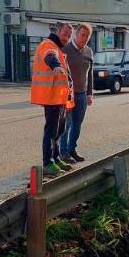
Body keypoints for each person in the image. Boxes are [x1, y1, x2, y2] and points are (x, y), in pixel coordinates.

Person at [30, 23, 74, 176]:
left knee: (58, 130)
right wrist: (55, 65)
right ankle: (48, 163)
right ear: (58, 31)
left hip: (59, 98)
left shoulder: (58, 49)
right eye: (65, 34)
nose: (67, 38)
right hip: (51, 98)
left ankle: (55, 158)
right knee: (51, 131)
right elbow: (49, 56)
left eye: (69, 36)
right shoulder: (48, 45)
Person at [60, 23, 94, 163]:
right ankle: (63, 153)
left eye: (87, 36)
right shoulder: (65, 49)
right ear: (76, 34)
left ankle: (72, 149)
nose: (85, 38)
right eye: (82, 35)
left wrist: (89, 93)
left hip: (81, 94)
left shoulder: (88, 52)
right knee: (66, 125)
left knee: (77, 124)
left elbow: (90, 73)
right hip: (67, 94)